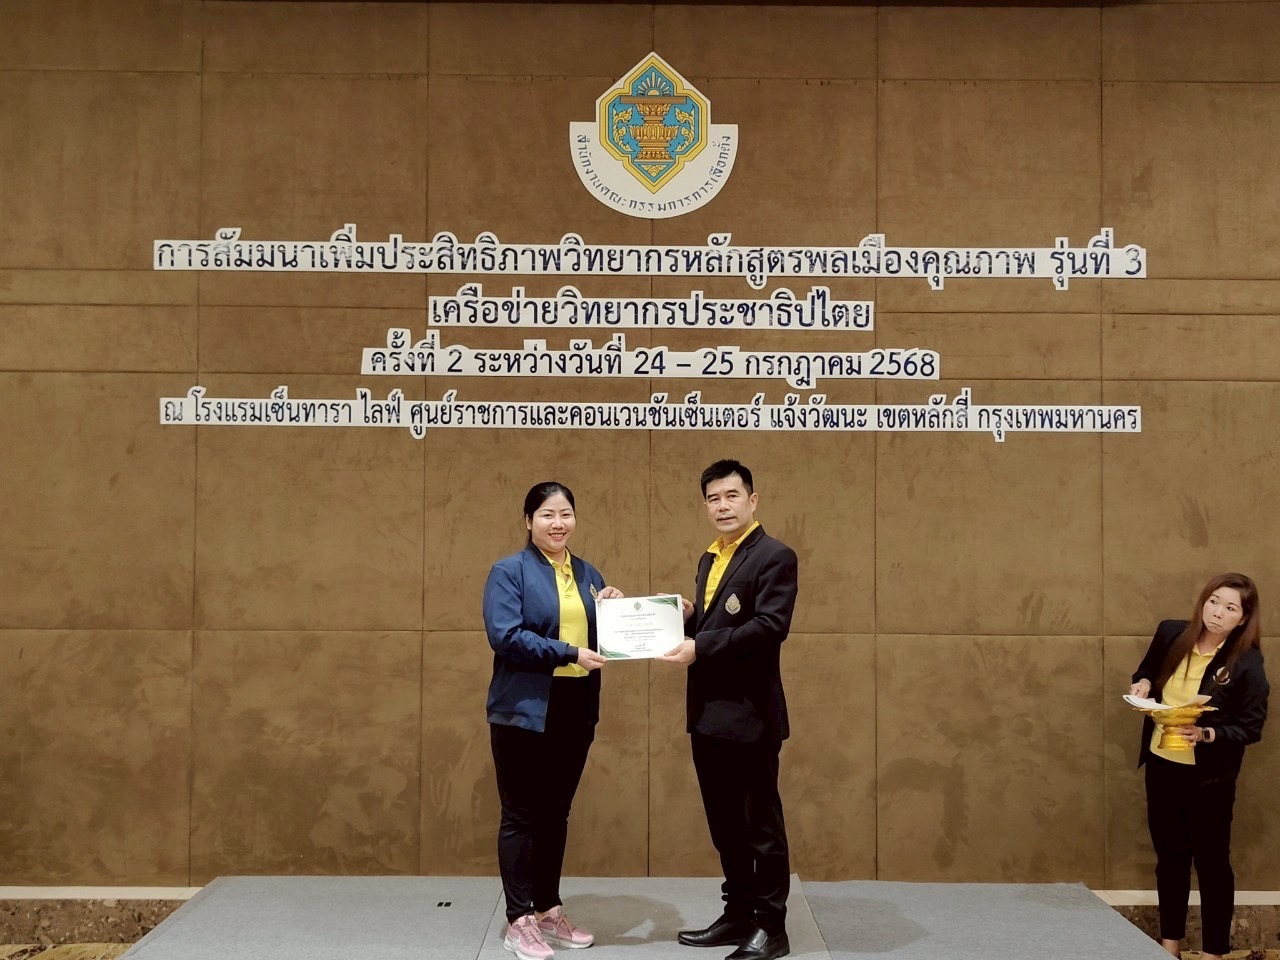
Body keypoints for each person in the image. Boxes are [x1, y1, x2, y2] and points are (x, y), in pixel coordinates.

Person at [659, 460, 799, 960]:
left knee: (761, 826)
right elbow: (719, 624)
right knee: (724, 824)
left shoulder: (775, 556)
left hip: (751, 715)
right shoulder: (709, 558)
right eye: (713, 498)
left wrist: (700, 644)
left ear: (752, 500)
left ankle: (772, 927)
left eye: (732, 496)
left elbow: (769, 627)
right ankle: (738, 912)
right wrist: (689, 618)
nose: (722, 506)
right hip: (708, 714)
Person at [482, 481, 622, 960]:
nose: (558, 523)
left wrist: (616, 609)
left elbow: (604, 638)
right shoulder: (510, 571)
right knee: (520, 814)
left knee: (555, 813)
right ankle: (518, 919)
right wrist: (568, 652)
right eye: (547, 514)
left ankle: (547, 909)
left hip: (575, 705)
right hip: (523, 709)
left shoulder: (587, 573)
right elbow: (505, 636)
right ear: (528, 522)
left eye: (565, 514)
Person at [1128, 572, 1270, 960]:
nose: (1217, 612)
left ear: (1243, 618)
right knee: (1170, 860)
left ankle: (1213, 953)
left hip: (1209, 778)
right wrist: (1142, 684)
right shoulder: (1172, 633)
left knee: (1212, 864)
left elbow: (1251, 726)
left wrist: (1206, 734)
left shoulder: (1246, 662)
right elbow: (1146, 671)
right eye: (1213, 601)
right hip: (1162, 764)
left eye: (1230, 607)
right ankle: (1169, 946)